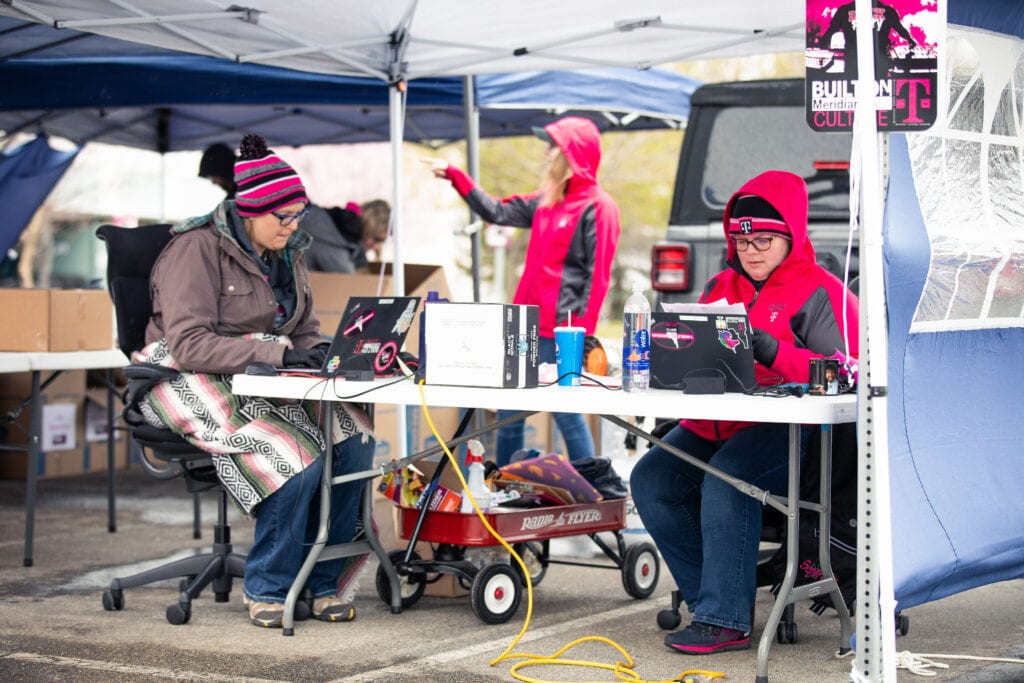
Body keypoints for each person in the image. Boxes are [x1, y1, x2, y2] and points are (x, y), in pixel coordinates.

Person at [140, 133, 375, 628]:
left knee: (353, 441)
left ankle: (324, 579)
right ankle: (269, 584)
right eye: (283, 217)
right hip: (183, 373)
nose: (293, 226)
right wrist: (278, 351)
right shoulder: (195, 249)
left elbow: (302, 329)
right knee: (292, 453)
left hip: (258, 371)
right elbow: (189, 345)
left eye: (298, 216)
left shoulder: (287, 251)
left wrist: (323, 356)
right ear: (250, 211)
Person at [630, 170, 859, 655]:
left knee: (728, 479)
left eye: (764, 239)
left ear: (791, 235)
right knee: (652, 479)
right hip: (714, 421)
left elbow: (845, 372)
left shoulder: (822, 291)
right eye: (741, 238)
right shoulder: (718, 283)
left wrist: (774, 350)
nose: (750, 249)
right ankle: (714, 600)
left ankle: (725, 618)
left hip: (790, 431)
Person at [430, 116, 621, 466]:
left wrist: (583, 337)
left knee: (565, 413)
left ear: (571, 154)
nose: (546, 154)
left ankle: (595, 483)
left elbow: (599, 278)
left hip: (562, 332)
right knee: (509, 414)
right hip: (525, 326)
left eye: (553, 146)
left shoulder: (598, 207)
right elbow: (497, 211)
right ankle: (505, 484)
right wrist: (457, 177)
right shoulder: (546, 201)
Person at [301, 199, 391, 273]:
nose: (377, 247)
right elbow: (354, 286)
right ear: (369, 228)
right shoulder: (339, 246)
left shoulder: (326, 218)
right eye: (378, 240)